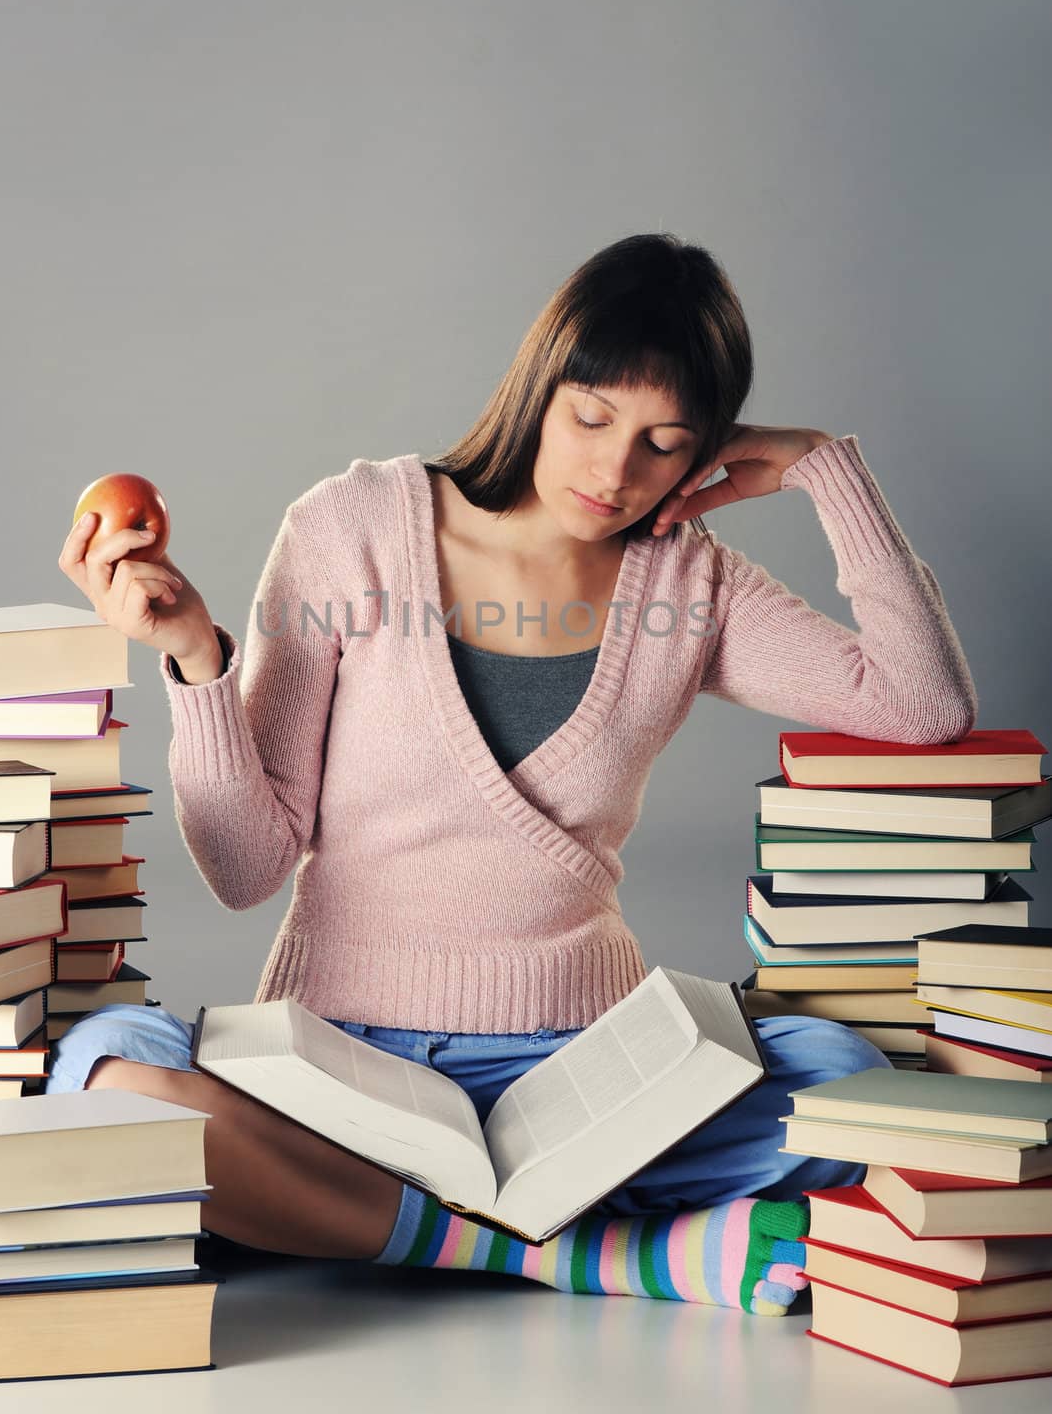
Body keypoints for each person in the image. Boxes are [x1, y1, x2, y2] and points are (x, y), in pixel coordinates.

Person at [51, 232, 977, 1314]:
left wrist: (828, 470)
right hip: (336, 1058)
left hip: (584, 1071)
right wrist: (197, 659)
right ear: (540, 387)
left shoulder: (693, 585)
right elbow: (247, 863)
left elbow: (922, 705)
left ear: (703, 453)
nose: (613, 472)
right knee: (113, 1071)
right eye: (591, 419)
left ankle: (351, 1217)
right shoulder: (351, 528)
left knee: (847, 1081)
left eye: (663, 443)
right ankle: (560, 1253)